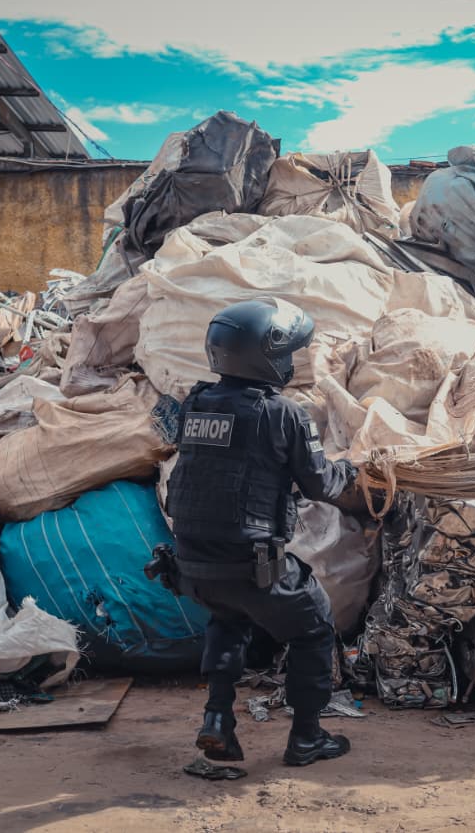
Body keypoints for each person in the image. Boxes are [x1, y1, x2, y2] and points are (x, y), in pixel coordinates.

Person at [163, 297, 357, 767]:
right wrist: (351, 470)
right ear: (263, 357)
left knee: (228, 617)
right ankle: (307, 737)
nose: (290, 362)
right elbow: (320, 483)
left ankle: (217, 720)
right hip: (252, 567)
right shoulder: (283, 413)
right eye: (286, 353)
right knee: (314, 628)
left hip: (192, 567)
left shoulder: (195, 404)